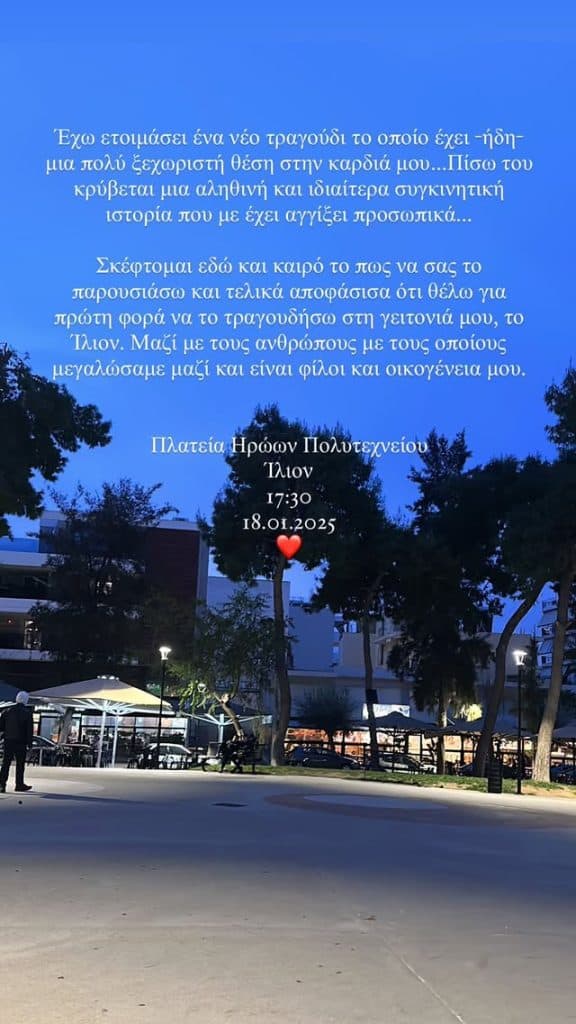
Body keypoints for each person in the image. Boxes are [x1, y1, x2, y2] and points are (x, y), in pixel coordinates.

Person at [0, 691, 34, 793]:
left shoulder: (7, 711)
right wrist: (30, 744)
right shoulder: (27, 713)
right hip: (21, 742)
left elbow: (1, 727)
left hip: (8, 741)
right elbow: (29, 730)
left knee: (5, 763)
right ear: (25, 700)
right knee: (20, 764)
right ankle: (19, 784)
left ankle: (2, 785)